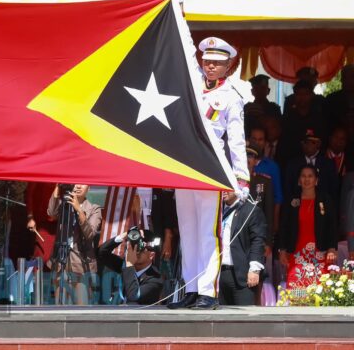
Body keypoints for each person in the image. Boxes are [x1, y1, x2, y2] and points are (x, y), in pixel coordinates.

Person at [168, 37, 250, 310]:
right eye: (207, 61)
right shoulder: (192, 86)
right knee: (187, 231)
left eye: (217, 62)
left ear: (228, 66)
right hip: (185, 168)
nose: (211, 66)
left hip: (211, 169)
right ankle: (191, 289)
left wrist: (241, 179)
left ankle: (207, 291)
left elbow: (236, 141)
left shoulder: (231, 97)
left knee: (208, 232)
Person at [278, 165, 337, 289]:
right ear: (299, 180)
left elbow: (332, 225)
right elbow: (284, 226)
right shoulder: (292, 200)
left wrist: (332, 248)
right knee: (296, 290)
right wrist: (282, 250)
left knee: (319, 290)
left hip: (320, 252)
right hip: (296, 252)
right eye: (303, 176)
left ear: (316, 180)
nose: (307, 179)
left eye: (310, 176)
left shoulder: (325, 199)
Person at [46, 184, 101, 305]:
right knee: (60, 306)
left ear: (89, 188)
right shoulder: (64, 204)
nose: (79, 186)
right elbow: (51, 212)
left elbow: (90, 233)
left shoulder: (94, 208)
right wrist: (57, 187)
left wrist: (78, 210)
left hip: (82, 264)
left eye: (83, 183)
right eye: (75, 183)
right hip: (61, 262)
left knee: (81, 307)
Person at [218, 188, 267, 306]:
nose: (224, 191)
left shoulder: (251, 210)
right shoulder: (217, 211)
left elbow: (258, 240)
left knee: (245, 316)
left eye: (228, 187)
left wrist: (254, 270)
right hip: (220, 274)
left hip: (242, 275)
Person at [97, 229, 164, 305]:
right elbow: (101, 253)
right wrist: (124, 236)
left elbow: (133, 296)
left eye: (140, 250)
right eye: (133, 248)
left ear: (151, 255)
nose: (135, 252)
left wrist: (129, 264)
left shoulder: (156, 279)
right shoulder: (125, 266)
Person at [283, 129, 338, 202]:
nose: (308, 145)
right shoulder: (292, 164)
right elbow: (288, 190)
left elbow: (333, 191)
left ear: (319, 144)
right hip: (298, 205)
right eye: (306, 142)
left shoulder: (328, 164)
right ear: (301, 144)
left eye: (312, 142)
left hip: (322, 205)